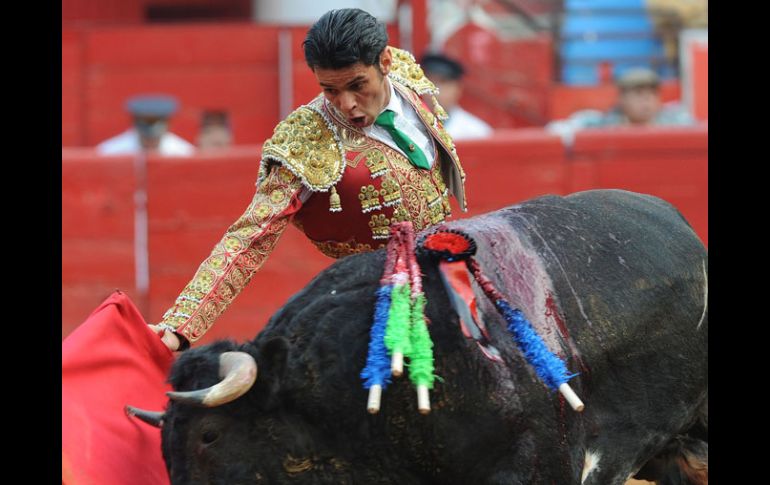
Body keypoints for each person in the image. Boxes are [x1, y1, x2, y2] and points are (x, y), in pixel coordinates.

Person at [149, 8, 468, 351]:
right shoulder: (305, 141)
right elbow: (250, 236)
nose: (347, 104)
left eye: (358, 85)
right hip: (376, 304)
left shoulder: (406, 76)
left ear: (385, 62)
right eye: (330, 90)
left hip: (450, 271)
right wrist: (181, 325)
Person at [546, 67, 696, 142]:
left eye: (652, 94)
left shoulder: (677, 121)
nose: (647, 101)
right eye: (639, 94)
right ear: (622, 99)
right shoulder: (600, 123)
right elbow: (556, 130)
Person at [419, 53, 493, 140]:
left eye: (443, 82)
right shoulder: (408, 123)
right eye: (430, 81)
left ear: (458, 88)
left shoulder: (478, 132)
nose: (435, 90)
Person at [96, 94, 196, 156]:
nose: (150, 142)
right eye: (146, 137)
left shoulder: (183, 152)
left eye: (155, 138)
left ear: (168, 126)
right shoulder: (111, 152)